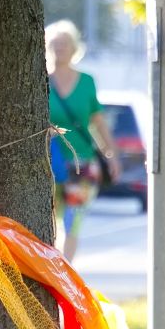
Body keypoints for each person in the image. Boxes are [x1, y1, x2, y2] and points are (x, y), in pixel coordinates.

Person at [45, 20, 117, 256]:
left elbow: (98, 122)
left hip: (82, 164)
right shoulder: (41, 80)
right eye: (55, 44)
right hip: (49, 164)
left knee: (72, 223)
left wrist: (111, 155)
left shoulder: (87, 82)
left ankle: (65, 270)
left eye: (64, 44)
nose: (60, 48)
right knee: (50, 222)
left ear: (74, 48)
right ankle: (51, 269)